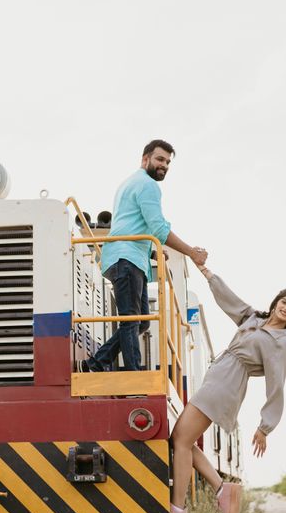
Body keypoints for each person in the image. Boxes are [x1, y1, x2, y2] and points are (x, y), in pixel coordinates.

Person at [169, 264, 286, 513]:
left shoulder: (282, 344)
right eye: (284, 302)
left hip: (227, 385)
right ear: (276, 302)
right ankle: (222, 490)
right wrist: (208, 274)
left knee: (181, 440)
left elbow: (276, 386)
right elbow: (229, 300)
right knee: (181, 439)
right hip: (217, 379)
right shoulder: (253, 319)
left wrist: (265, 427)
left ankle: (178, 510)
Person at [82, 140, 208, 372]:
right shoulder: (148, 185)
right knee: (131, 319)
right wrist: (191, 253)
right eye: (160, 159)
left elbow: (127, 224)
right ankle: (134, 374)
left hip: (126, 257)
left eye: (168, 162)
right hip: (127, 259)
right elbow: (158, 228)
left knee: (141, 322)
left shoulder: (129, 183)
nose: (164, 165)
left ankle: (96, 363)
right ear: (145, 159)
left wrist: (151, 250)